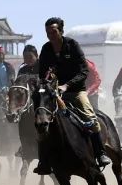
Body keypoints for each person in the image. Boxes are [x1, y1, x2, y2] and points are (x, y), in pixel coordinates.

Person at [34, 17, 109, 172]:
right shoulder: (46, 49)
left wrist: (66, 85)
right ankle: (44, 161)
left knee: (90, 118)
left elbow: (84, 71)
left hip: (76, 91)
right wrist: (48, 80)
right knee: (41, 121)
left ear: (61, 31)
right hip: (55, 93)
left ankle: (100, 153)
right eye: (47, 32)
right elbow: (42, 74)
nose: (50, 35)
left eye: (53, 31)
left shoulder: (72, 45)